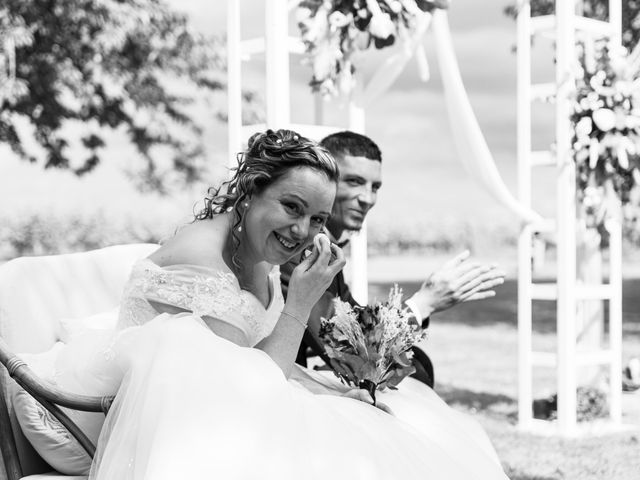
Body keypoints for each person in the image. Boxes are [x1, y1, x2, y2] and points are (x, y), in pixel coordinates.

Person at [56, 129, 509, 479]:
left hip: (227, 398)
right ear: (251, 189)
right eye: (292, 207)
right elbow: (246, 389)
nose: (303, 231)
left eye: (316, 219)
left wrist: (333, 389)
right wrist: (300, 302)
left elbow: (260, 357)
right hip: (176, 420)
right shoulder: (203, 260)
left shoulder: (258, 249)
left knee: (410, 422)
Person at [282, 131, 505, 380]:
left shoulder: (328, 246)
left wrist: (424, 302)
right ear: (325, 183)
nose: (367, 198)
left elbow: (353, 316)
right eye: (354, 182)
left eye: (375, 187)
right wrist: (423, 303)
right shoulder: (301, 248)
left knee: (417, 362)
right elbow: (343, 346)